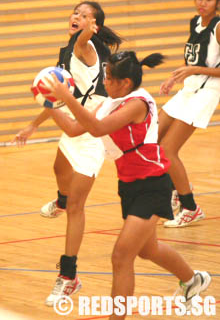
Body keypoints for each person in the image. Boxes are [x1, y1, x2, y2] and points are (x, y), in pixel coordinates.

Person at [43, 50, 211, 317]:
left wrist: (66, 98)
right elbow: (76, 129)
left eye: (109, 78)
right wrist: (51, 104)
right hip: (129, 186)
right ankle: (194, 281)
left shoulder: (138, 103)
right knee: (148, 249)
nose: (105, 83)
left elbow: (98, 129)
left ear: (126, 83)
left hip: (153, 185)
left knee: (121, 256)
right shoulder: (110, 102)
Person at [12, 1, 122, 218]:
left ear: (94, 27)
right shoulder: (68, 52)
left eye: (83, 16)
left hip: (93, 116)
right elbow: (59, 98)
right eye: (75, 13)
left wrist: (86, 32)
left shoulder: (84, 46)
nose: (76, 17)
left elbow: (82, 40)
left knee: (82, 198)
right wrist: (33, 125)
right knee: (60, 168)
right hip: (76, 110)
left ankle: (177, 193)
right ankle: (63, 202)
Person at [158, 0, 220, 228]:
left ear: (217, 3)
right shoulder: (194, 22)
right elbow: (193, 62)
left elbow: (200, 68)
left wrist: (194, 71)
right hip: (189, 88)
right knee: (152, 140)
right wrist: (175, 77)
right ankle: (177, 188)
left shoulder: (218, 27)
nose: (202, 3)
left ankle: (191, 207)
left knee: (167, 150)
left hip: (207, 92)